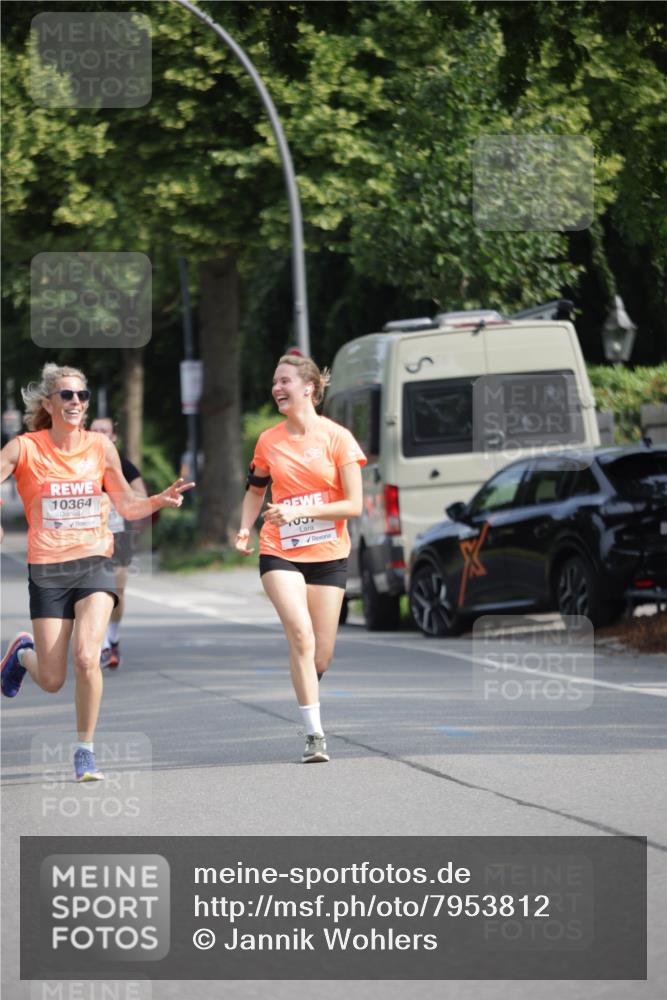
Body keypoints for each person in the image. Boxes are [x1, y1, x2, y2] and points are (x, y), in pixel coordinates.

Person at [0, 363, 194, 781]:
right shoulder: (24, 448)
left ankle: (85, 752)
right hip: (48, 570)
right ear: (49, 403)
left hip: (95, 562)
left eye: (81, 396)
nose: (75, 402)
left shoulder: (99, 446)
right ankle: (22, 653)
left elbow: (126, 505)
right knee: (52, 679)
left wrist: (159, 499)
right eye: (66, 395)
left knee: (88, 656)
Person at [235, 354, 366, 763]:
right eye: (274, 382)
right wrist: (244, 527)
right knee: (301, 635)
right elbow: (257, 489)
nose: (277, 388)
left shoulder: (338, 438)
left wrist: (300, 511)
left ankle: (307, 679)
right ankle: (315, 735)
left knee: (320, 655)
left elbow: (355, 505)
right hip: (280, 550)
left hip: (328, 554)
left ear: (308, 387)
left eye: (284, 380)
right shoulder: (268, 441)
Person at [90, 417, 147, 669]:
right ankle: (101, 645)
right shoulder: (79, 464)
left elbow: (142, 497)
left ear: (113, 437)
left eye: (105, 431)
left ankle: (112, 638)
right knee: (94, 590)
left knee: (117, 591)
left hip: (118, 534)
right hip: (88, 536)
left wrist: (116, 495)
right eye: (95, 431)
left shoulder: (124, 466)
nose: (100, 435)